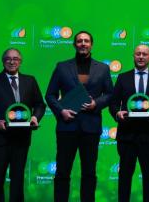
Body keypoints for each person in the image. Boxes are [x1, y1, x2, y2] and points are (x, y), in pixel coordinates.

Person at [45, 31, 113, 202]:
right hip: (67, 126)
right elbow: (50, 95)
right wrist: (61, 111)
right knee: (62, 172)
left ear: (91, 44)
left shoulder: (103, 68)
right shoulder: (61, 67)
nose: (83, 43)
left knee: (89, 173)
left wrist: (96, 104)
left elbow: (110, 94)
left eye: (87, 41)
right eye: (80, 41)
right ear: (74, 45)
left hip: (91, 127)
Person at [0, 48, 46, 202]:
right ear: (3, 61)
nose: (12, 61)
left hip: (21, 139)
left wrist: (35, 118)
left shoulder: (30, 80)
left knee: (17, 181)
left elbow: (40, 104)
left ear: (20, 61)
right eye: (8, 58)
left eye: (15, 58)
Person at [109, 45, 149, 202]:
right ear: (133, 56)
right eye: (138, 54)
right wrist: (117, 112)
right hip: (126, 135)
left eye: (144, 54)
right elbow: (114, 102)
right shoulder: (122, 77)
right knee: (124, 175)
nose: (141, 56)